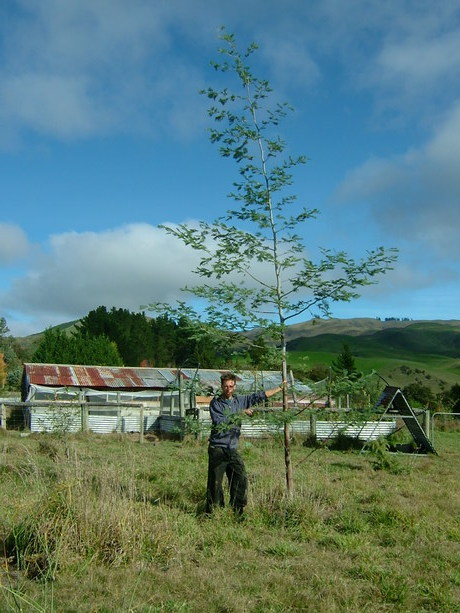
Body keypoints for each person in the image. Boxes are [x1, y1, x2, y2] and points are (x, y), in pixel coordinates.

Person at [205, 371, 285, 516]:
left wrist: (279, 388)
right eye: (225, 386)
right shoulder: (216, 403)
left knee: (240, 477)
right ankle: (213, 512)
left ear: (235, 386)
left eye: (231, 386)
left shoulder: (239, 401)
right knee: (215, 483)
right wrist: (240, 414)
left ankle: (237, 510)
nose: (228, 389)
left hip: (232, 449)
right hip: (217, 448)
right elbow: (220, 421)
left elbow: (258, 397)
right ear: (221, 387)